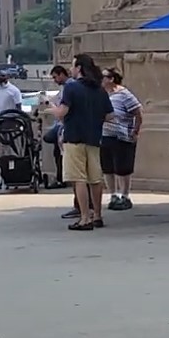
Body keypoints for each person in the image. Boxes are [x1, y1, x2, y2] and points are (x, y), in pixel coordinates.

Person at [51, 54, 113, 231]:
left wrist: (51, 108)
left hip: (75, 137)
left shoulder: (72, 88)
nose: (71, 69)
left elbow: (63, 112)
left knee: (79, 178)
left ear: (79, 68)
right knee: (95, 178)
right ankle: (98, 215)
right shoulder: (99, 89)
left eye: (72, 66)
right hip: (94, 137)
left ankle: (85, 217)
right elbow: (110, 114)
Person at [99, 68, 143, 210]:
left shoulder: (124, 94)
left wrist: (135, 131)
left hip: (122, 135)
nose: (101, 80)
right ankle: (113, 194)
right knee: (107, 168)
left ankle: (125, 195)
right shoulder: (102, 95)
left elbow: (138, 112)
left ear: (111, 79)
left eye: (103, 77)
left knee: (123, 168)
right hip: (104, 135)